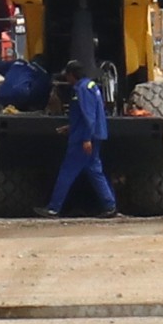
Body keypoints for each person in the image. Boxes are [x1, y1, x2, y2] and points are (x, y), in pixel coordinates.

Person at [47, 60, 119, 217]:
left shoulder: (82, 90)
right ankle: (109, 205)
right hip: (91, 135)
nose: (66, 79)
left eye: (67, 76)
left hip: (82, 139)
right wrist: (71, 127)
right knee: (94, 170)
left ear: (72, 75)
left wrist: (86, 138)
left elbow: (89, 116)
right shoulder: (91, 86)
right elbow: (88, 116)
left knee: (67, 172)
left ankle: (53, 208)